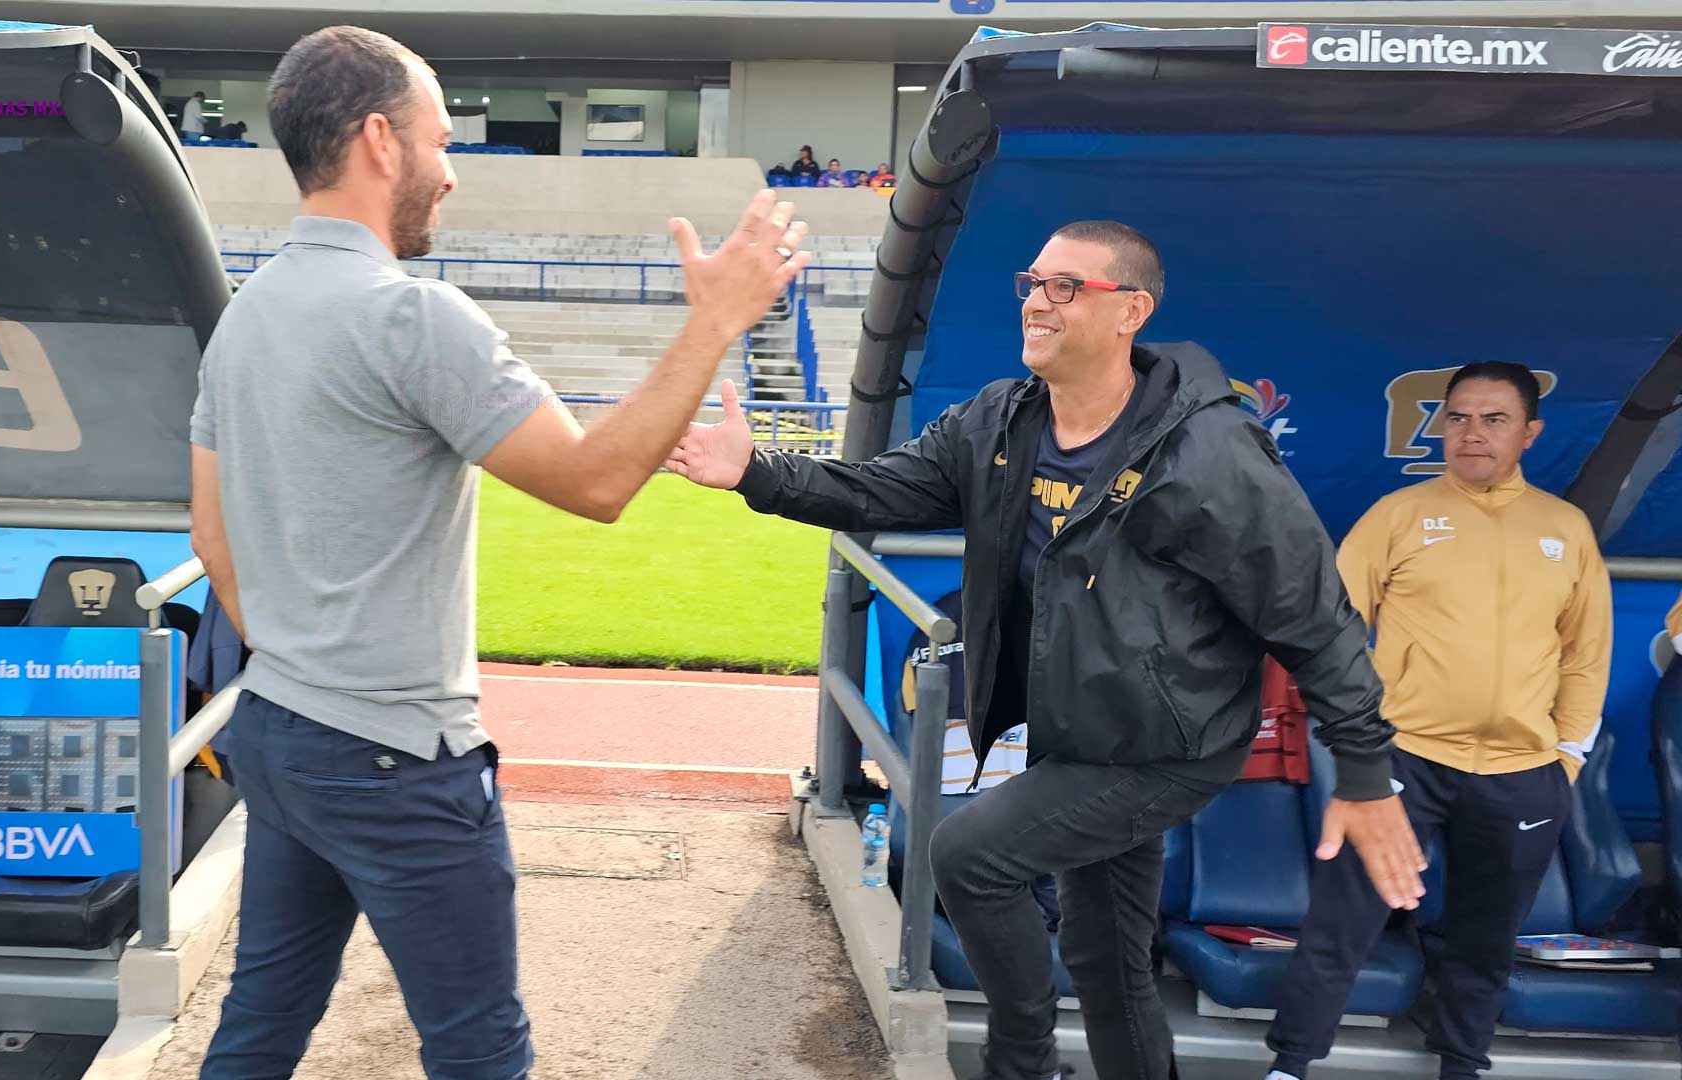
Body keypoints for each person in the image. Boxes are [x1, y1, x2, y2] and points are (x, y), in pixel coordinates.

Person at [187, 25, 808, 1080]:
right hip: (395, 756)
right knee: (481, 1052)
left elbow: (211, 538)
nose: (451, 170)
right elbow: (596, 481)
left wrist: (306, 661)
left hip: (282, 727)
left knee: (260, 1027)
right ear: (381, 142)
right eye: (440, 140)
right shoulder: (413, 318)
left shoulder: (245, 316)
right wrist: (713, 322)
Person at [667, 220, 1424, 1080]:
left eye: (1067, 286)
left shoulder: (1208, 451)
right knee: (1107, 961)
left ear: (1130, 311)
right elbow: (884, 488)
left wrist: (1364, 773)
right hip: (1078, 732)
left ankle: (1021, 1063)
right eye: (1032, 281)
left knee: (966, 855)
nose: (1036, 300)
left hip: (1166, 747)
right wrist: (758, 472)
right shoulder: (1001, 419)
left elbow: (1311, 614)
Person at [1264, 361, 1613, 1080]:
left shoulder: (1565, 530)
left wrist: (1566, 759)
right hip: (1402, 764)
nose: (1472, 434)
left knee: (1485, 939)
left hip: (1522, 775)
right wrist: (1352, 742)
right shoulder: (1399, 515)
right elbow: (1330, 633)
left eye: (1494, 419)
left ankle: (1461, 1064)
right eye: (1457, 418)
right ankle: (1290, 1065)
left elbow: (1585, 658)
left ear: (1530, 434)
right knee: (1342, 924)